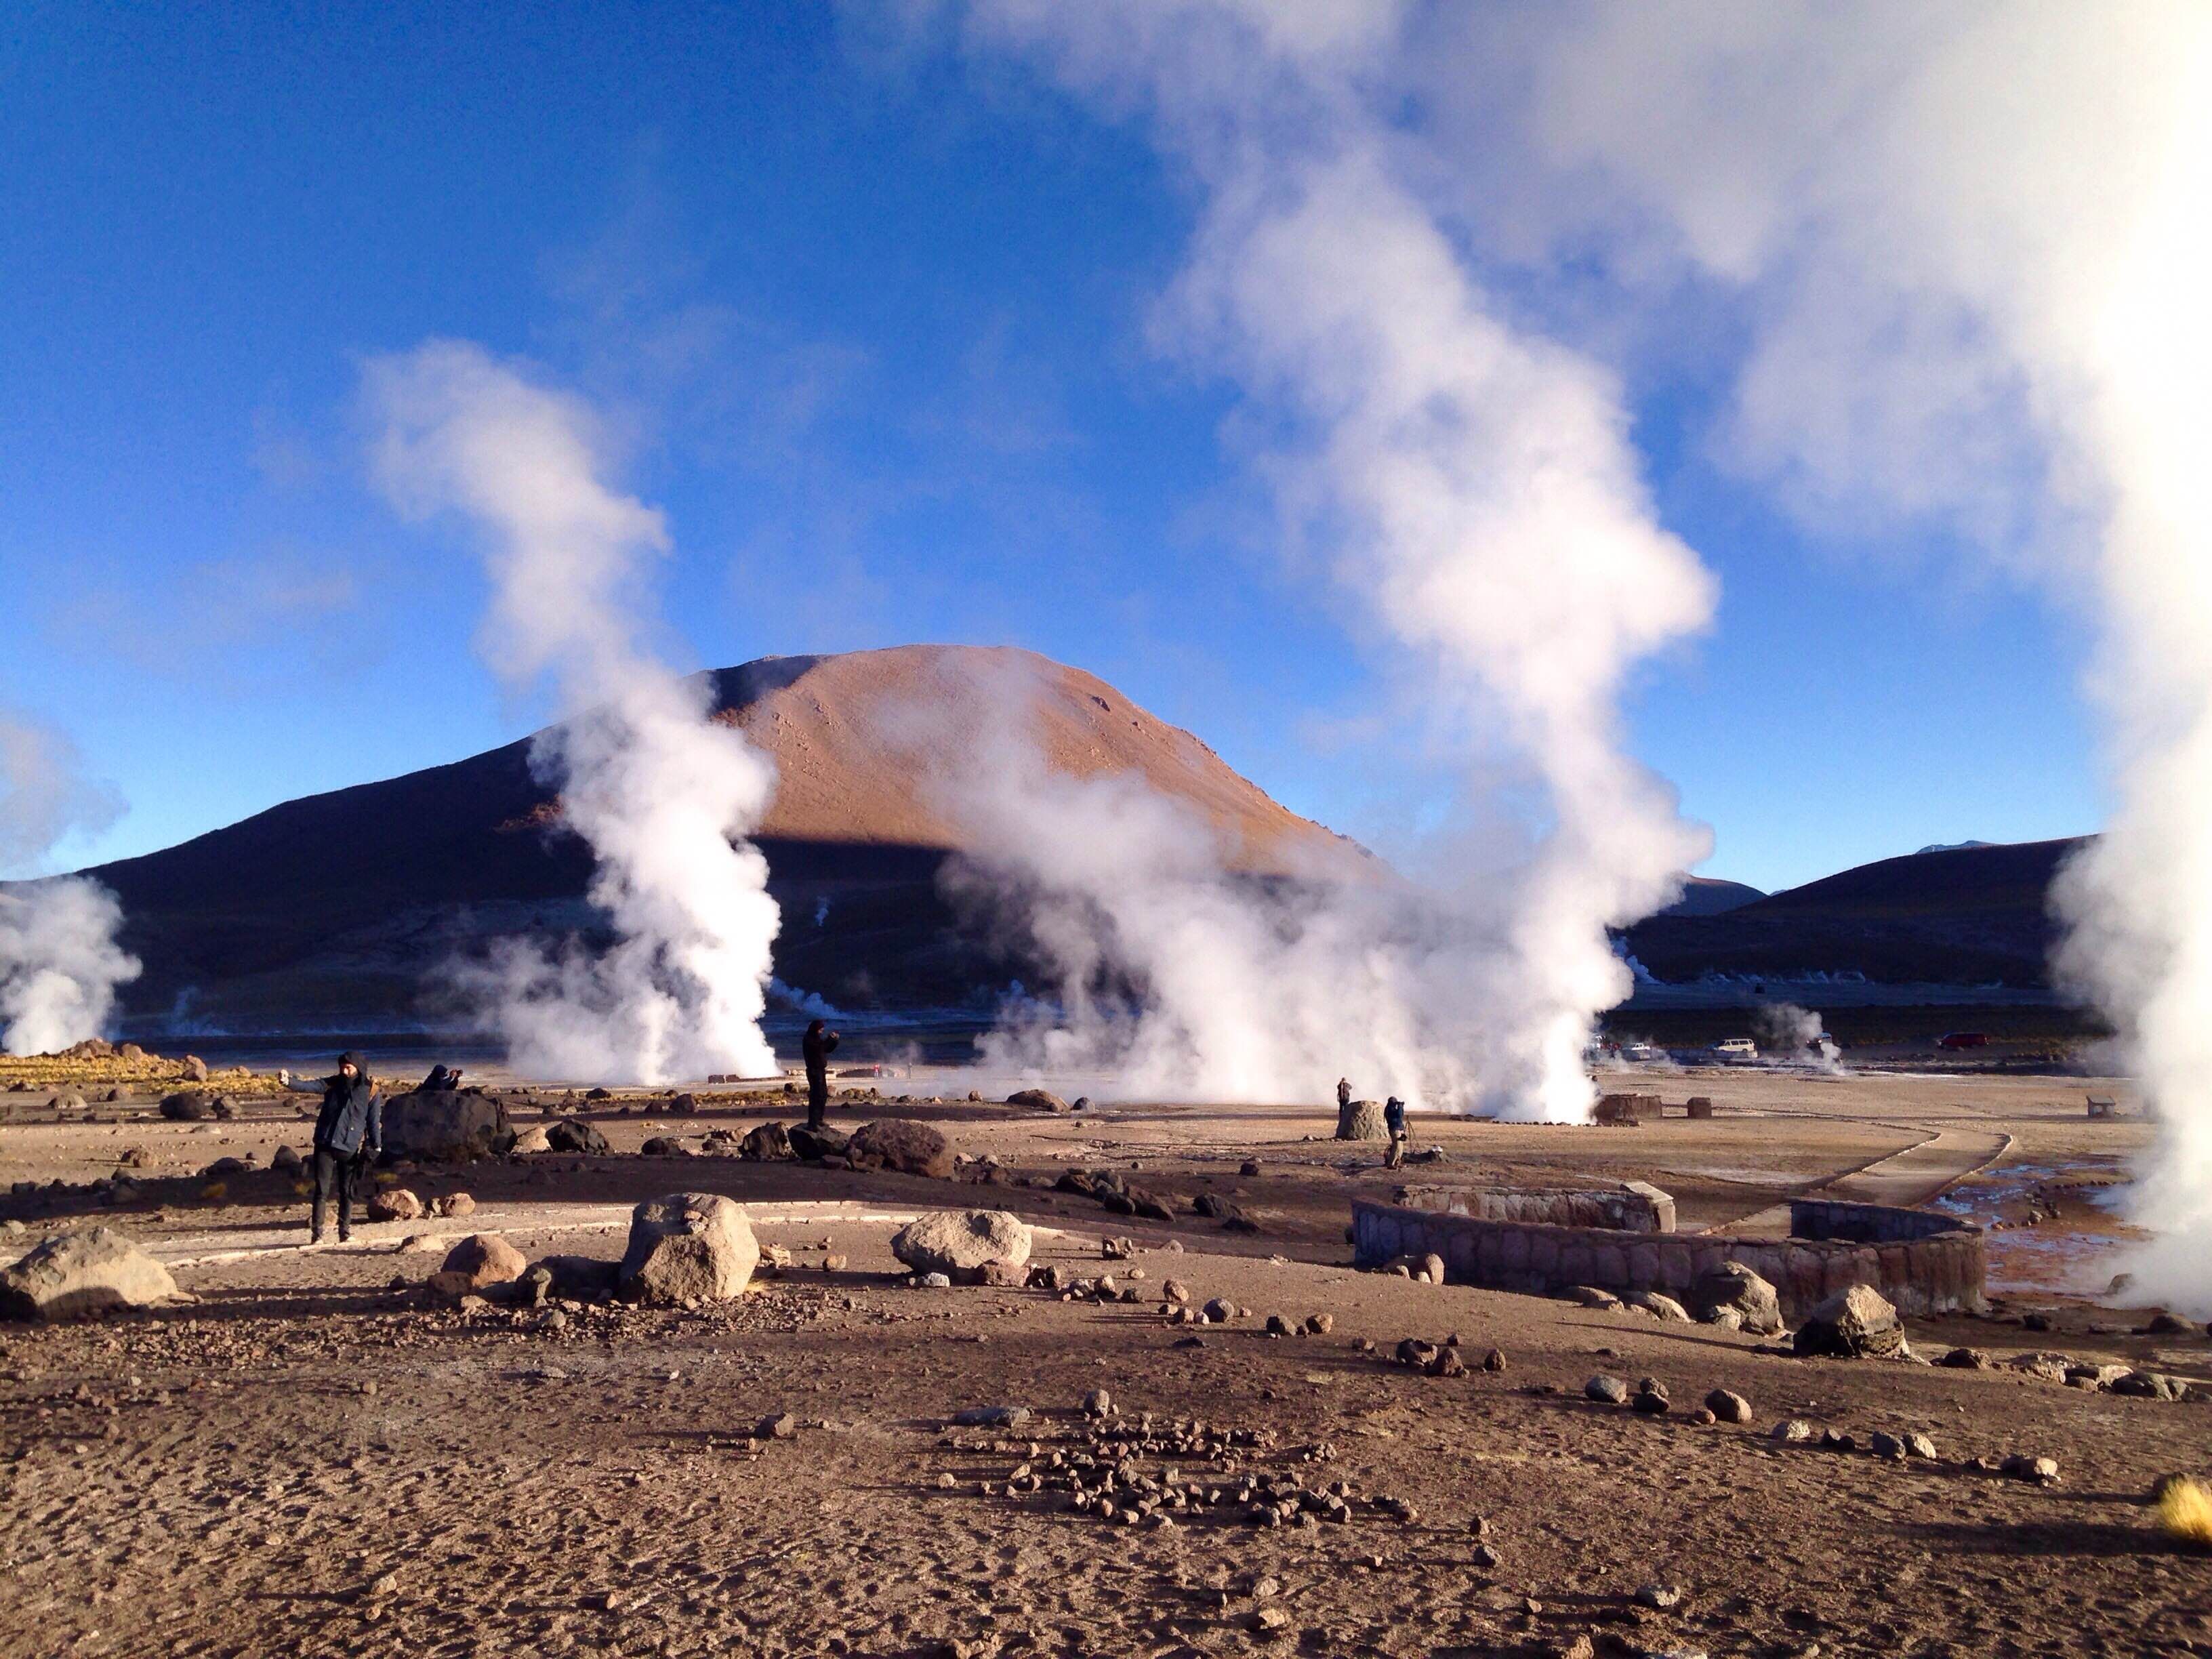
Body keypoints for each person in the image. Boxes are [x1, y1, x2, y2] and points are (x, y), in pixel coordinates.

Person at [282, 1051, 384, 1243]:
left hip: (350, 1147)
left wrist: (376, 1146)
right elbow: (310, 1085)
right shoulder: (332, 1083)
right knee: (322, 1191)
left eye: (349, 1068)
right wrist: (289, 1082)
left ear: (359, 1068)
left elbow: (373, 1121)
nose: (345, 1071)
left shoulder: (371, 1090)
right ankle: (317, 1234)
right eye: (342, 1067)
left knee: (347, 1191)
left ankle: (344, 1232)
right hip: (325, 1144)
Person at [802, 1019, 841, 1130]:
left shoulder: (816, 1039)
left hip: (820, 1071)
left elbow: (827, 1049)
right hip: (814, 1071)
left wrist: (834, 1041)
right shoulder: (809, 1039)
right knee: (816, 1097)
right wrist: (829, 1039)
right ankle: (812, 1123)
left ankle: (819, 1119)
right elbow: (820, 1048)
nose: (821, 1032)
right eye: (820, 1030)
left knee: (823, 1095)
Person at [1382, 1095, 1408, 1169]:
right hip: (1395, 1130)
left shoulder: (1390, 1108)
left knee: (1400, 1147)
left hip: (1398, 1129)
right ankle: (1391, 1164)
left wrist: (1401, 1107)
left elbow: (1401, 1115)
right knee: (1396, 1147)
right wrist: (1400, 1107)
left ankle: (1398, 1162)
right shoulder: (1390, 1109)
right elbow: (1399, 1116)